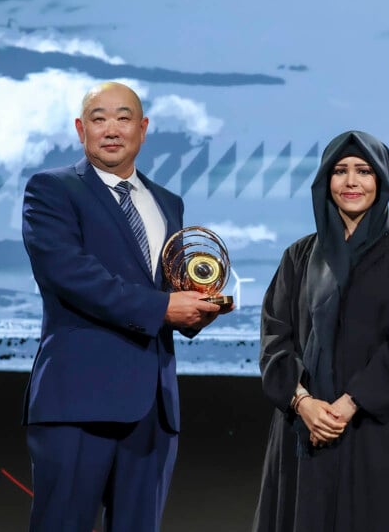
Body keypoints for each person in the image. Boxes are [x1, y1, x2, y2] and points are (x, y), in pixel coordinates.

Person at [21, 81, 228, 531]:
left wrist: (198, 308)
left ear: (143, 128)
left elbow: (169, 288)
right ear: (81, 129)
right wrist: (163, 308)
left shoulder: (168, 202)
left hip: (154, 411)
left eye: (123, 117)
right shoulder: (51, 190)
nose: (111, 129)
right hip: (77, 404)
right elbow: (72, 276)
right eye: (99, 118)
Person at [253, 130, 389, 532]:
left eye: (363, 171)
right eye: (340, 171)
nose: (351, 182)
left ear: (382, 181)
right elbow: (275, 338)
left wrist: (348, 404)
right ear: (325, 181)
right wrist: (303, 403)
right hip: (306, 424)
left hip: (382, 427)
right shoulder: (299, 256)